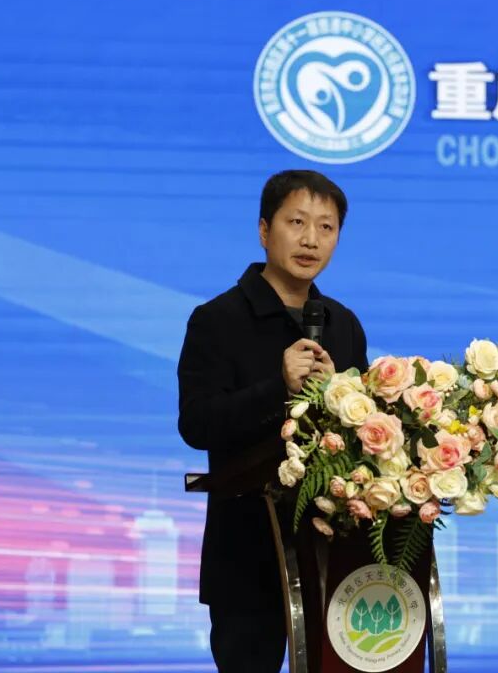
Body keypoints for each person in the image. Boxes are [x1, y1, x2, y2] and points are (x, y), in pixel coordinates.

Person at [177, 170, 369, 672]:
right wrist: (277, 388)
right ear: (264, 230)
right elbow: (196, 424)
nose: (311, 240)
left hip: (334, 550)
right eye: (297, 222)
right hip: (247, 552)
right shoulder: (217, 320)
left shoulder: (343, 324)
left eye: (326, 227)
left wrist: (343, 399)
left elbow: (363, 435)